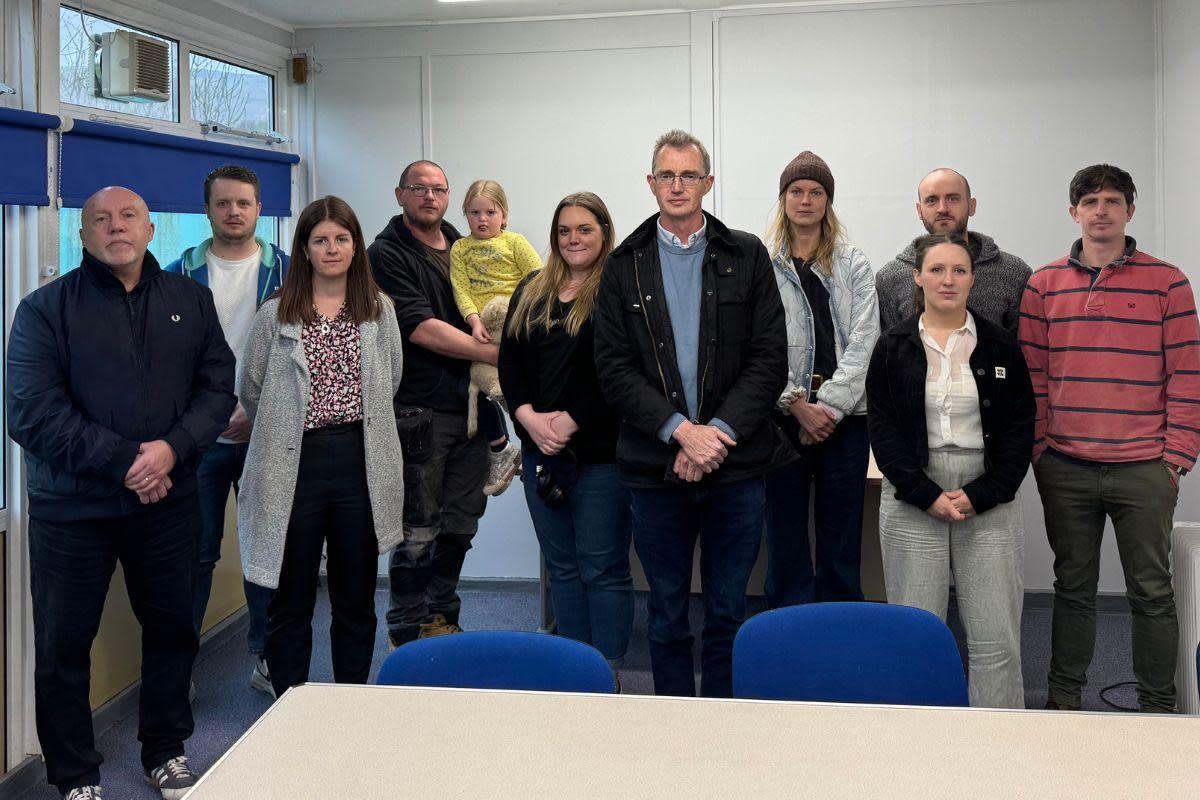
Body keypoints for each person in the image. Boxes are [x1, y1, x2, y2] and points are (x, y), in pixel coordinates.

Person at [7, 186, 235, 800]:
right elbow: (30, 414)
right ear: (82, 236)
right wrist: (129, 460)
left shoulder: (191, 300)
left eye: (128, 216)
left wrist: (172, 450)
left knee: (171, 630)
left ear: (149, 230)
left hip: (168, 504)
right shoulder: (43, 309)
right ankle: (76, 774)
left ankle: (166, 749)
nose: (116, 228)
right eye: (101, 220)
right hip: (71, 513)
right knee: (62, 647)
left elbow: (218, 388)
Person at [593, 130, 792, 698]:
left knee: (729, 613)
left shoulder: (746, 254)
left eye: (689, 175)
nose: (677, 186)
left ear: (708, 182)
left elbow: (768, 358)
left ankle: (723, 724)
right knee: (666, 614)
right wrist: (682, 434)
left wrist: (715, 437)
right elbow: (613, 368)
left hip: (736, 467)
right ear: (651, 182)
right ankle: (673, 728)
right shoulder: (624, 264)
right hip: (655, 470)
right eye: (666, 175)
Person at [1021, 164, 1200, 712]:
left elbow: (1188, 374)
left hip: (1145, 467)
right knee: (1072, 589)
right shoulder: (1043, 283)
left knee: (1151, 593)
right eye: (1091, 201)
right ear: (1073, 211)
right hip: (1066, 466)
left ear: (1130, 210)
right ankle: (1063, 702)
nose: (1101, 210)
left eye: (1113, 200)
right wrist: (1040, 452)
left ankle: (1156, 708)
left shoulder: (1168, 282)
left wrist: (1176, 459)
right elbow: (1033, 378)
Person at [238, 195, 404, 698]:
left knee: (355, 597)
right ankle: (293, 704)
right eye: (320, 240)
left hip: (358, 461)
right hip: (294, 464)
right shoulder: (276, 315)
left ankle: (349, 704)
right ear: (304, 249)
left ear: (355, 246)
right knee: (291, 599)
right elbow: (253, 387)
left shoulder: (379, 310)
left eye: (341, 238)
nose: (332, 248)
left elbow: (390, 378)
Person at [867, 232, 1034, 708]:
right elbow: (883, 431)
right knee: (917, 634)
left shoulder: (1000, 345)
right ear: (917, 277)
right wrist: (925, 493)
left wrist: (982, 494)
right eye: (936, 270)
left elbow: (1021, 427)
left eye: (959, 271)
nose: (948, 280)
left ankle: (996, 749)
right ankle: (920, 749)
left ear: (973, 279)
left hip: (988, 495)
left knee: (995, 637)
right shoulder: (892, 345)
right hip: (913, 494)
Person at [165, 164, 288, 696]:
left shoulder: (290, 273)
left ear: (259, 208)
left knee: (269, 549)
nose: (234, 212)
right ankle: (179, 667)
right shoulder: (175, 274)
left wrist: (255, 411)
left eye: (244, 203)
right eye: (223, 203)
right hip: (198, 440)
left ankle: (266, 656)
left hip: (268, 435)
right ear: (207, 209)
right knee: (193, 554)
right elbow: (162, 361)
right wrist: (206, 417)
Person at [498, 191, 632, 681]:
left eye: (585, 229)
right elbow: (510, 362)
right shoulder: (531, 288)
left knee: (602, 568)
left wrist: (572, 420)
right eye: (564, 230)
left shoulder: (618, 288)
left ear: (604, 234)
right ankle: (576, 669)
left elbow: (620, 373)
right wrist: (528, 417)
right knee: (564, 569)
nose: (573, 239)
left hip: (599, 457)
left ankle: (610, 669)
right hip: (540, 454)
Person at [368, 161, 495, 647]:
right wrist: (493, 353)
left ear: (448, 196)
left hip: (474, 409)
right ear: (400, 194)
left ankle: (443, 615)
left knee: (461, 526)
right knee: (417, 531)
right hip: (420, 414)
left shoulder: (464, 247)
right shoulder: (386, 253)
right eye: (418, 189)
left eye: (438, 189)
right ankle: (406, 628)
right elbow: (418, 327)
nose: (429, 197)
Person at [763, 151, 879, 606]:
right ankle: (785, 628)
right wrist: (794, 403)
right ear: (784, 199)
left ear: (828, 202)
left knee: (841, 534)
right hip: (781, 419)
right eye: (797, 191)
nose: (806, 200)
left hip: (845, 423)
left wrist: (826, 409)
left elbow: (865, 339)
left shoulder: (853, 263)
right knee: (784, 533)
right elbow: (757, 346)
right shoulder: (762, 263)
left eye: (816, 192)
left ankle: (839, 628)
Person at [450, 178, 542, 496]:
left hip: (515, 320)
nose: (483, 219)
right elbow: (461, 289)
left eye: (490, 211)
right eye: (475, 212)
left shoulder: (514, 243)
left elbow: (537, 279)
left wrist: (524, 317)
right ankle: (502, 446)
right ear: (465, 215)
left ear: (503, 213)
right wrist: (473, 322)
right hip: (483, 331)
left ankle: (538, 436)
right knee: (476, 385)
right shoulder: (460, 249)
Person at [876, 168, 1030, 335]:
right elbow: (889, 352)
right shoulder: (890, 278)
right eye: (931, 200)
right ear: (919, 210)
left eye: (953, 198)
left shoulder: (1014, 273)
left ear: (972, 206)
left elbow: (1022, 353)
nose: (942, 208)